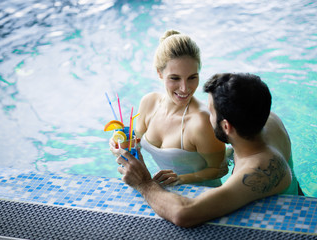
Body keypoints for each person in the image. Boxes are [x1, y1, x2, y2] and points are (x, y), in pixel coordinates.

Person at [115, 73, 303, 228]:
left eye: (210, 113)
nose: (206, 116)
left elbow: (184, 214)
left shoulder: (258, 169)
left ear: (227, 127)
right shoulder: (263, 118)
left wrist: (144, 183)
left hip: (284, 227)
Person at [110, 30, 228, 187]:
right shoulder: (149, 103)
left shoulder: (202, 122)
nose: (185, 88)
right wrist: (121, 145)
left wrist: (181, 179)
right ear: (160, 73)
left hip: (202, 195)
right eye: (175, 78)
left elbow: (220, 169)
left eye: (192, 77)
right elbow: (135, 144)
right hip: (164, 191)